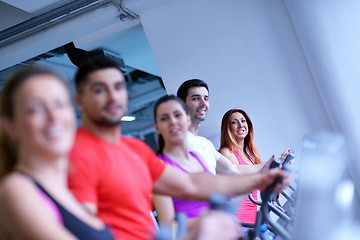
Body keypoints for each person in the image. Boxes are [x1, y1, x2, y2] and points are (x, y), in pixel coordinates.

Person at [67, 57, 290, 240]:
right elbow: (85, 227)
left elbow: (192, 183)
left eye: (117, 87)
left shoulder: (136, 149)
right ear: (80, 101)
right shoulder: (78, 156)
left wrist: (261, 178)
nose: (112, 96)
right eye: (100, 90)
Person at [0, 66, 115, 240]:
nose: (54, 117)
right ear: (11, 126)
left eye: (60, 105)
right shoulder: (16, 189)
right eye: (36, 109)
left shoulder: (65, 194)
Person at [177, 79, 265, 175]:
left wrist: (276, 162)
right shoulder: (178, 142)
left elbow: (234, 170)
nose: (203, 103)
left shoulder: (206, 144)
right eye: (196, 98)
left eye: (206, 98)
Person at [152, 95, 213, 232]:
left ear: (187, 119)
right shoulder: (160, 168)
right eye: (164, 118)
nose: (173, 121)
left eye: (177, 115)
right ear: (157, 127)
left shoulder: (198, 157)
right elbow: (169, 227)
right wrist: (208, 221)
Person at [219, 109, 262, 224]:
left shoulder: (251, 156)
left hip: (252, 218)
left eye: (243, 121)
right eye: (234, 122)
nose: (240, 125)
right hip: (237, 219)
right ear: (227, 128)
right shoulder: (227, 153)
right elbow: (238, 176)